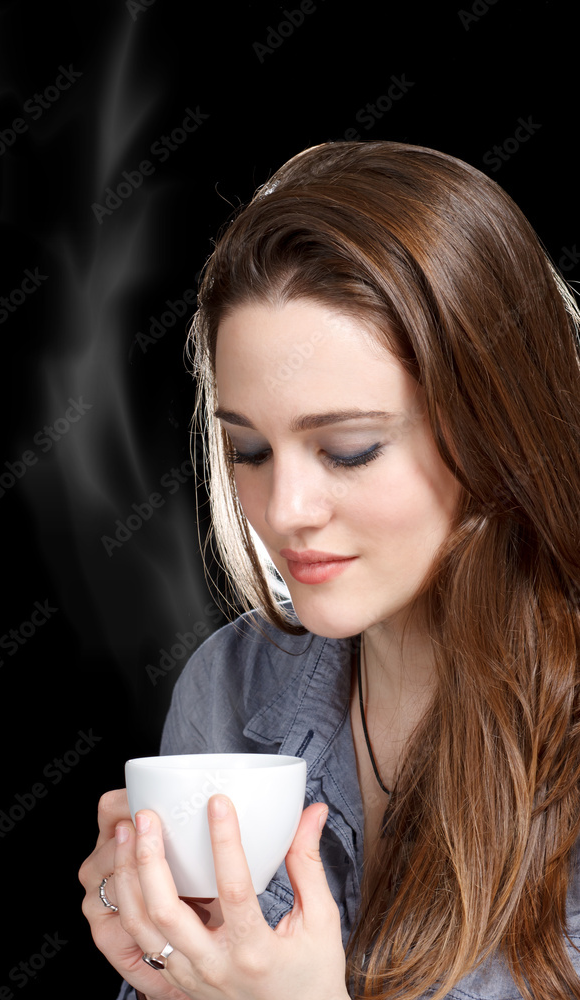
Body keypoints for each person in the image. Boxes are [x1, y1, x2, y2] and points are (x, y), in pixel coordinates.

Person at [79, 140, 580, 999]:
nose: (283, 511)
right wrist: (162, 971)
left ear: (497, 430)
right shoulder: (230, 686)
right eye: (249, 449)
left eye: (348, 449)